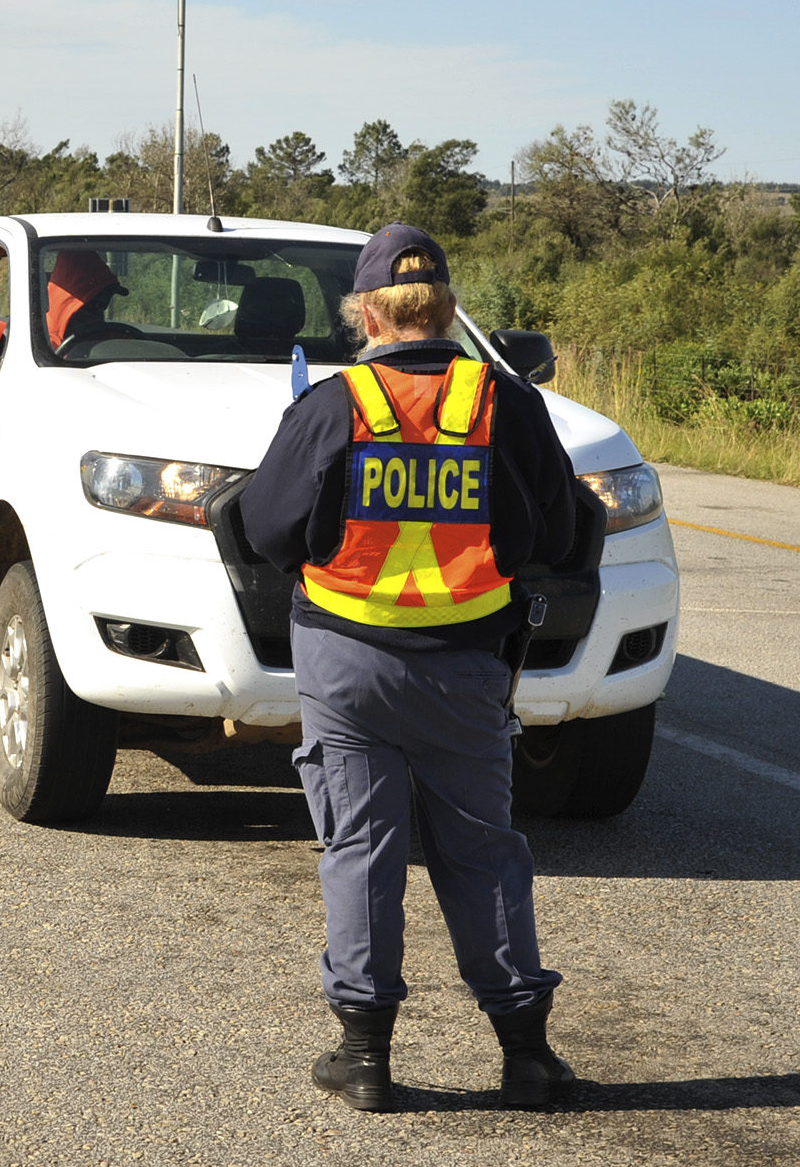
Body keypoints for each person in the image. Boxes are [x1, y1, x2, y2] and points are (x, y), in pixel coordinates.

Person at [241, 223, 580, 1112]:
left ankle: (363, 1057)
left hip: (347, 661)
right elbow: (558, 532)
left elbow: (268, 529)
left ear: (366, 311)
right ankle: (526, 1053)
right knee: (481, 850)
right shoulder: (505, 403)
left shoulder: (330, 406)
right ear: (448, 308)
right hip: (467, 663)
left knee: (361, 848)